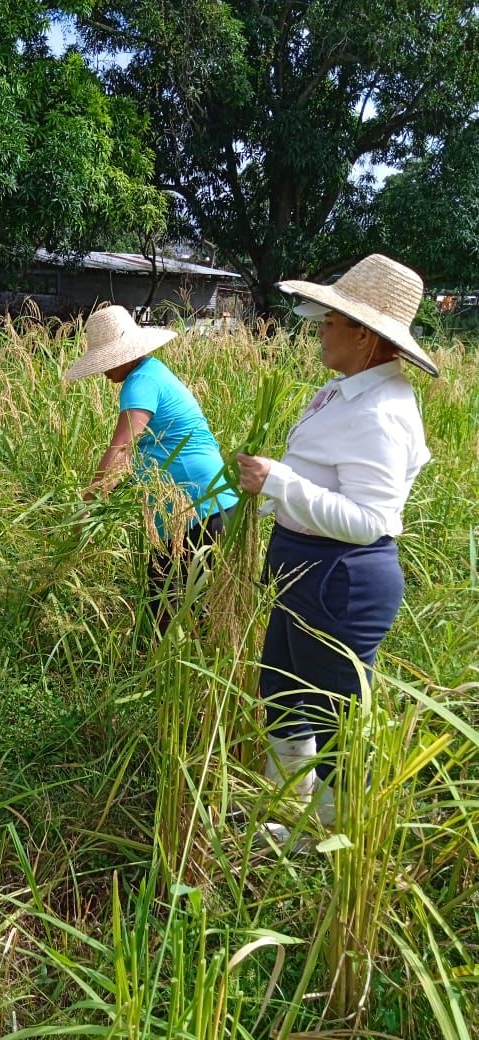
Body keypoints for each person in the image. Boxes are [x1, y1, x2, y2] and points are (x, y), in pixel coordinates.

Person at [236, 254, 438, 832]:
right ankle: (289, 818)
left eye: (331, 322)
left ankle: (331, 839)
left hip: (340, 576)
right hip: (305, 568)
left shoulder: (379, 411)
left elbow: (368, 519)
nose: (320, 330)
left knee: (335, 720)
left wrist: (277, 481)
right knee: (283, 693)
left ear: (366, 337)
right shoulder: (343, 392)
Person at [65, 305, 238, 629]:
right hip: (205, 507)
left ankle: (165, 675)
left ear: (123, 354)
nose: (103, 371)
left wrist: (86, 507)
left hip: (200, 509)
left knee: (168, 613)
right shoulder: (152, 372)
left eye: (106, 359)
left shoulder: (140, 381)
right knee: (182, 607)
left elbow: (122, 450)